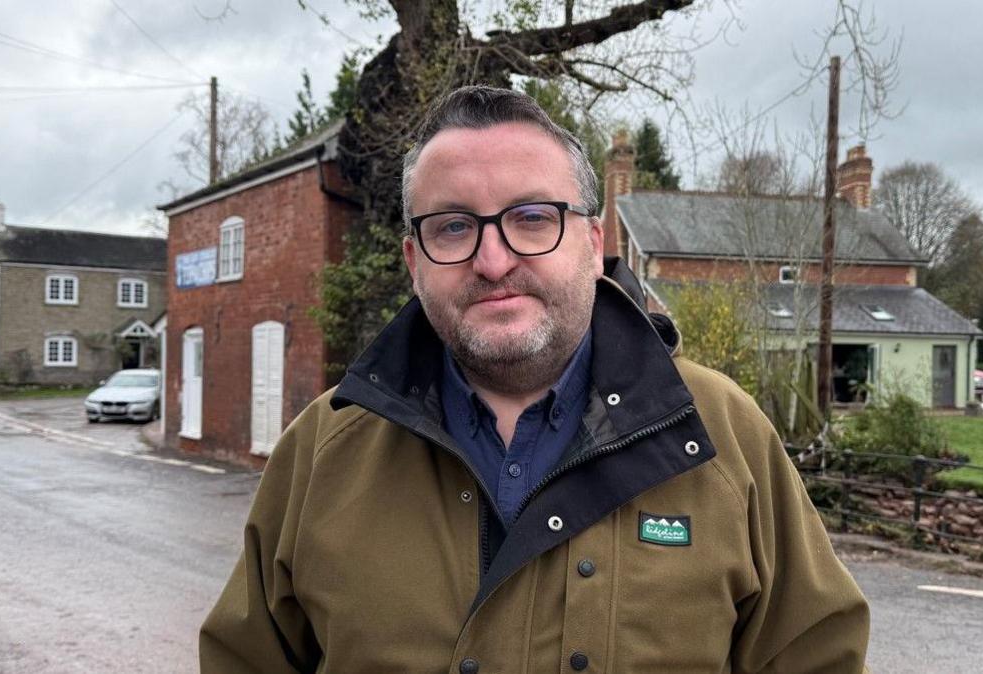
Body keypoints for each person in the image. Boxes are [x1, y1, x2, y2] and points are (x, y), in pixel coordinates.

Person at [200, 85, 870, 673]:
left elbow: (816, 658)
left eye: (531, 219)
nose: (493, 261)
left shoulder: (723, 433)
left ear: (590, 240)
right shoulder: (325, 447)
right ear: (414, 259)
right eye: (454, 226)